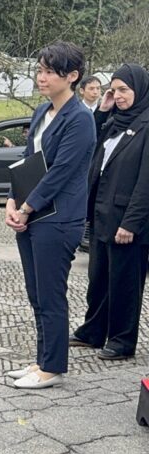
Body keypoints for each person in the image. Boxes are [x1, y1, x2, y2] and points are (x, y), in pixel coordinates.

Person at [4, 41, 95, 390]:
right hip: (30, 214)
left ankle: (53, 366)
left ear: (71, 76)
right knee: (35, 292)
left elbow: (60, 173)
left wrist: (26, 208)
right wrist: (12, 201)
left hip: (58, 219)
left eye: (48, 71)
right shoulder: (43, 113)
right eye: (39, 70)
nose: (40, 77)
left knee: (51, 293)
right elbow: (28, 162)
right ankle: (42, 358)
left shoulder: (80, 120)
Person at [71, 64, 149, 361]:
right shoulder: (114, 121)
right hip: (102, 214)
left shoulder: (146, 124)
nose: (118, 96)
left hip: (128, 220)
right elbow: (89, 145)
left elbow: (146, 181)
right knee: (99, 278)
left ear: (139, 90)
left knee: (125, 284)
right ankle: (93, 331)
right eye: (114, 90)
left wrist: (131, 222)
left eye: (124, 90)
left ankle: (121, 339)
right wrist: (101, 112)